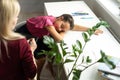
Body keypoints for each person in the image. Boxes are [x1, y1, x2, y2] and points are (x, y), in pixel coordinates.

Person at [15, 14, 103, 79]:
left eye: (62, 29)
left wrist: (91, 29)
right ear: (61, 18)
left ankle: (45, 63)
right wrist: (64, 32)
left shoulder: (55, 20)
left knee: (49, 44)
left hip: (35, 34)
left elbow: (74, 26)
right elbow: (60, 40)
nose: (60, 29)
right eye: (61, 26)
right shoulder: (48, 22)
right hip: (22, 35)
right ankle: (36, 69)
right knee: (52, 42)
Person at [0, 0, 37, 80]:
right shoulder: (19, 43)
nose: (17, 19)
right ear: (8, 19)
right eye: (16, 16)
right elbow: (31, 73)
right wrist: (31, 50)